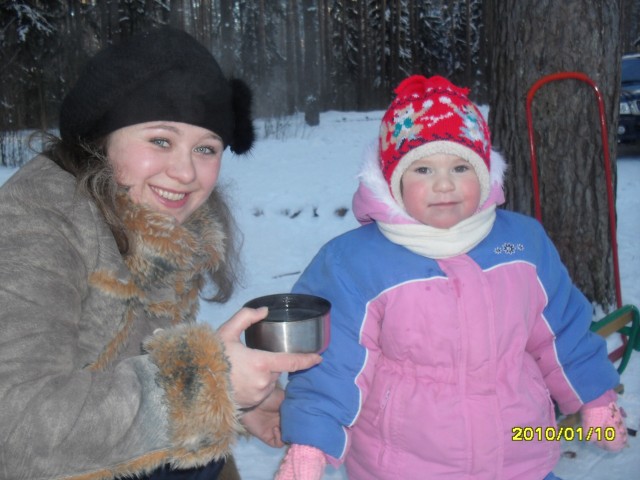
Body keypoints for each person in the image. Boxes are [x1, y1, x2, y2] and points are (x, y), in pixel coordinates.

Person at [0, 27, 321, 480]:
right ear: (101, 138)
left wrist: (232, 404)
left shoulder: (152, 224)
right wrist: (207, 385)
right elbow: (15, 429)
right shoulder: (33, 225)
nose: (186, 171)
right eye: (160, 141)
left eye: (206, 149)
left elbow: (132, 368)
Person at [275, 75, 628, 480]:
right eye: (423, 168)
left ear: (484, 173)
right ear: (394, 181)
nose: (444, 184)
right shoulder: (354, 263)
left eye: (461, 166)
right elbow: (330, 364)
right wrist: (310, 443)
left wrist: (596, 400)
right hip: (406, 466)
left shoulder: (523, 243)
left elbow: (562, 331)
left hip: (520, 457)